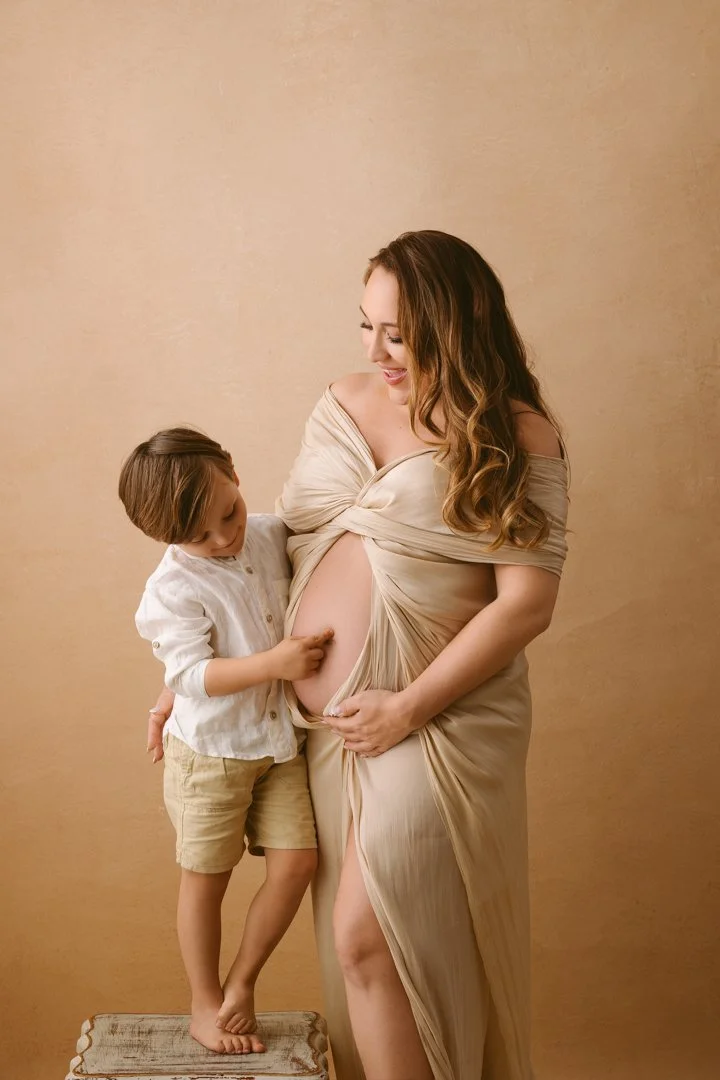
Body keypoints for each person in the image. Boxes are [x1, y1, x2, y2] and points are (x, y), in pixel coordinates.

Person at [150, 229, 569, 1080]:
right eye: (366, 326)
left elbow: (526, 603)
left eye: (399, 334)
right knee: (367, 960)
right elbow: (270, 553)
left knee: (368, 933)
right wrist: (189, 679)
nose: (376, 352)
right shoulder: (341, 401)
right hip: (325, 733)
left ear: (456, 326)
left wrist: (406, 707)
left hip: (437, 719)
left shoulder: (520, 435)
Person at [119, 428, 333, 1055]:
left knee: (298, 863)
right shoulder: (172, 588)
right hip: (210, 755)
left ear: (234, 474)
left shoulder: (270, 534)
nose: (223, 539)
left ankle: (242, 981)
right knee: (206, 881)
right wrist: (273, 665)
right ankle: (203, 1001)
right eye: (199, 536)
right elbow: (189, 672)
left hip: (277, 745)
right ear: (165, 536)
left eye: (229, 515)